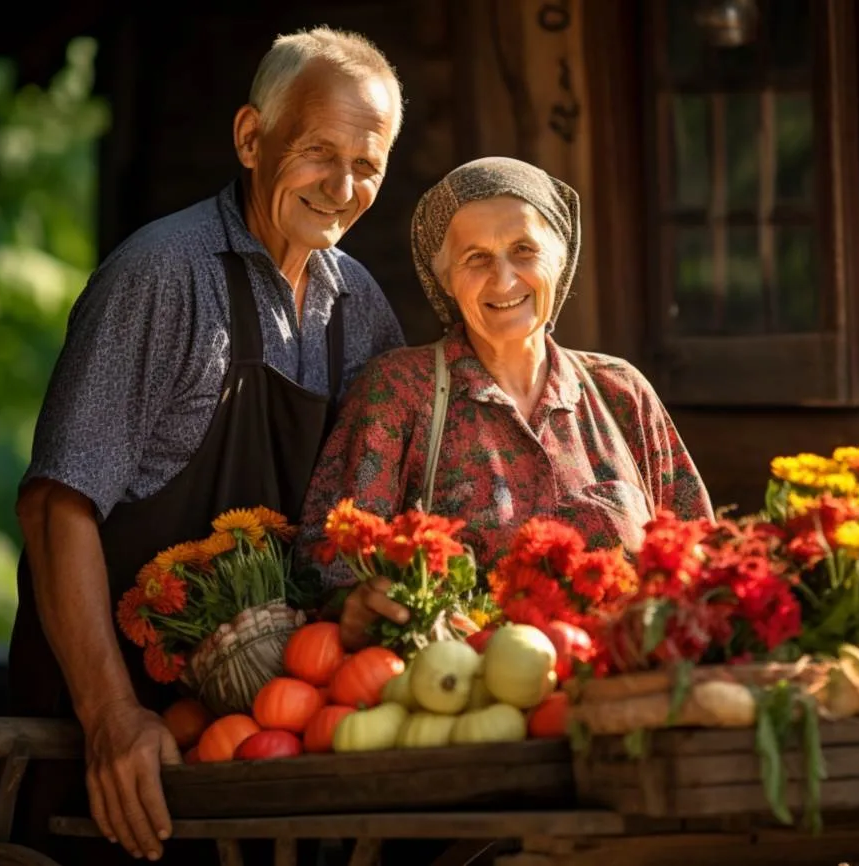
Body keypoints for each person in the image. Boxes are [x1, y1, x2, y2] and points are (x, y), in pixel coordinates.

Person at [9, 27, 406, 863]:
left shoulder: (358, 307)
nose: (342, 186)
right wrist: (112, 716)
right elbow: (57, 507)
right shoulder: (162, 274)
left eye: (367, 165)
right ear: (251, 138)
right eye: (317, 152)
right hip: (120, 742)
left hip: (260, 746)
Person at [298, 156, 715, 653]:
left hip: (625, 694)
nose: (503, 279)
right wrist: (356, 605)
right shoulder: (398, 393)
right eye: (475, 258)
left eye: (524, 250)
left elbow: (700, 558)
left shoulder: (621, 393)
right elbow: (325, 569)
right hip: (467, 705)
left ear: (559, 261)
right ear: (445, 281)